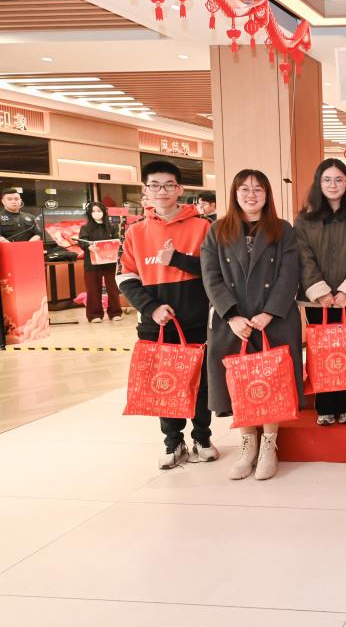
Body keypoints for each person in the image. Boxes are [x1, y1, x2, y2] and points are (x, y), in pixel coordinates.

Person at [202, 169, 303, 481]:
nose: (251, 194)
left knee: (273, 380)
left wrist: (270, 312)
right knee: (240, 381)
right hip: (234, 321)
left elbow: (290, 273)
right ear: (235, 194)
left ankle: (269, 444)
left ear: (267, 194)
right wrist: (231, 316)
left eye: (258, 189)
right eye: (244, 189)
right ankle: (248, 445)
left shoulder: (283, 229)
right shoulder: (217, 230)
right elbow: (210, 276)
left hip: (274, 319)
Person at [117, 161, 216, 469]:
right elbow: (125, 277)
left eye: (169, 185)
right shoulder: (135, 232)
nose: (162, 191)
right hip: (155, 322)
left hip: (197, 320)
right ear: (145, 190)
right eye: (155, 185)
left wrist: (177, 259)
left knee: (201, 383)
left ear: (180, 189)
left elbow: (214, 271)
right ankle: (173, 442)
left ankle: (202, 437)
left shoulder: (203, 227)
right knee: (165, 383)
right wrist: (151, 308)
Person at [295, 158, 346, 426]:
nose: (333, 184)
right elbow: (303, 257)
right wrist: (320, 291)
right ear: (319, 183)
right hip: (318, 300)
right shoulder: (305, 219)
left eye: (339, 179)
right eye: (327, 179)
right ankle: (325, 405)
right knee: (320, 350)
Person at [77, 201, 123, 323]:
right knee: (93, 288)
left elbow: (117, 241)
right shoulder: (85, 228)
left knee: (112, 288)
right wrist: (88, 247)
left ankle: (115, 312)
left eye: (99, 211)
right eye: (93, 211)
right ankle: (94, 314)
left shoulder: (111, 227)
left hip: (110, 262)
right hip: (92, 263)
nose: (96, 213)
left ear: (104, 212)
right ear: (89, 213)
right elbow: (82, 241)